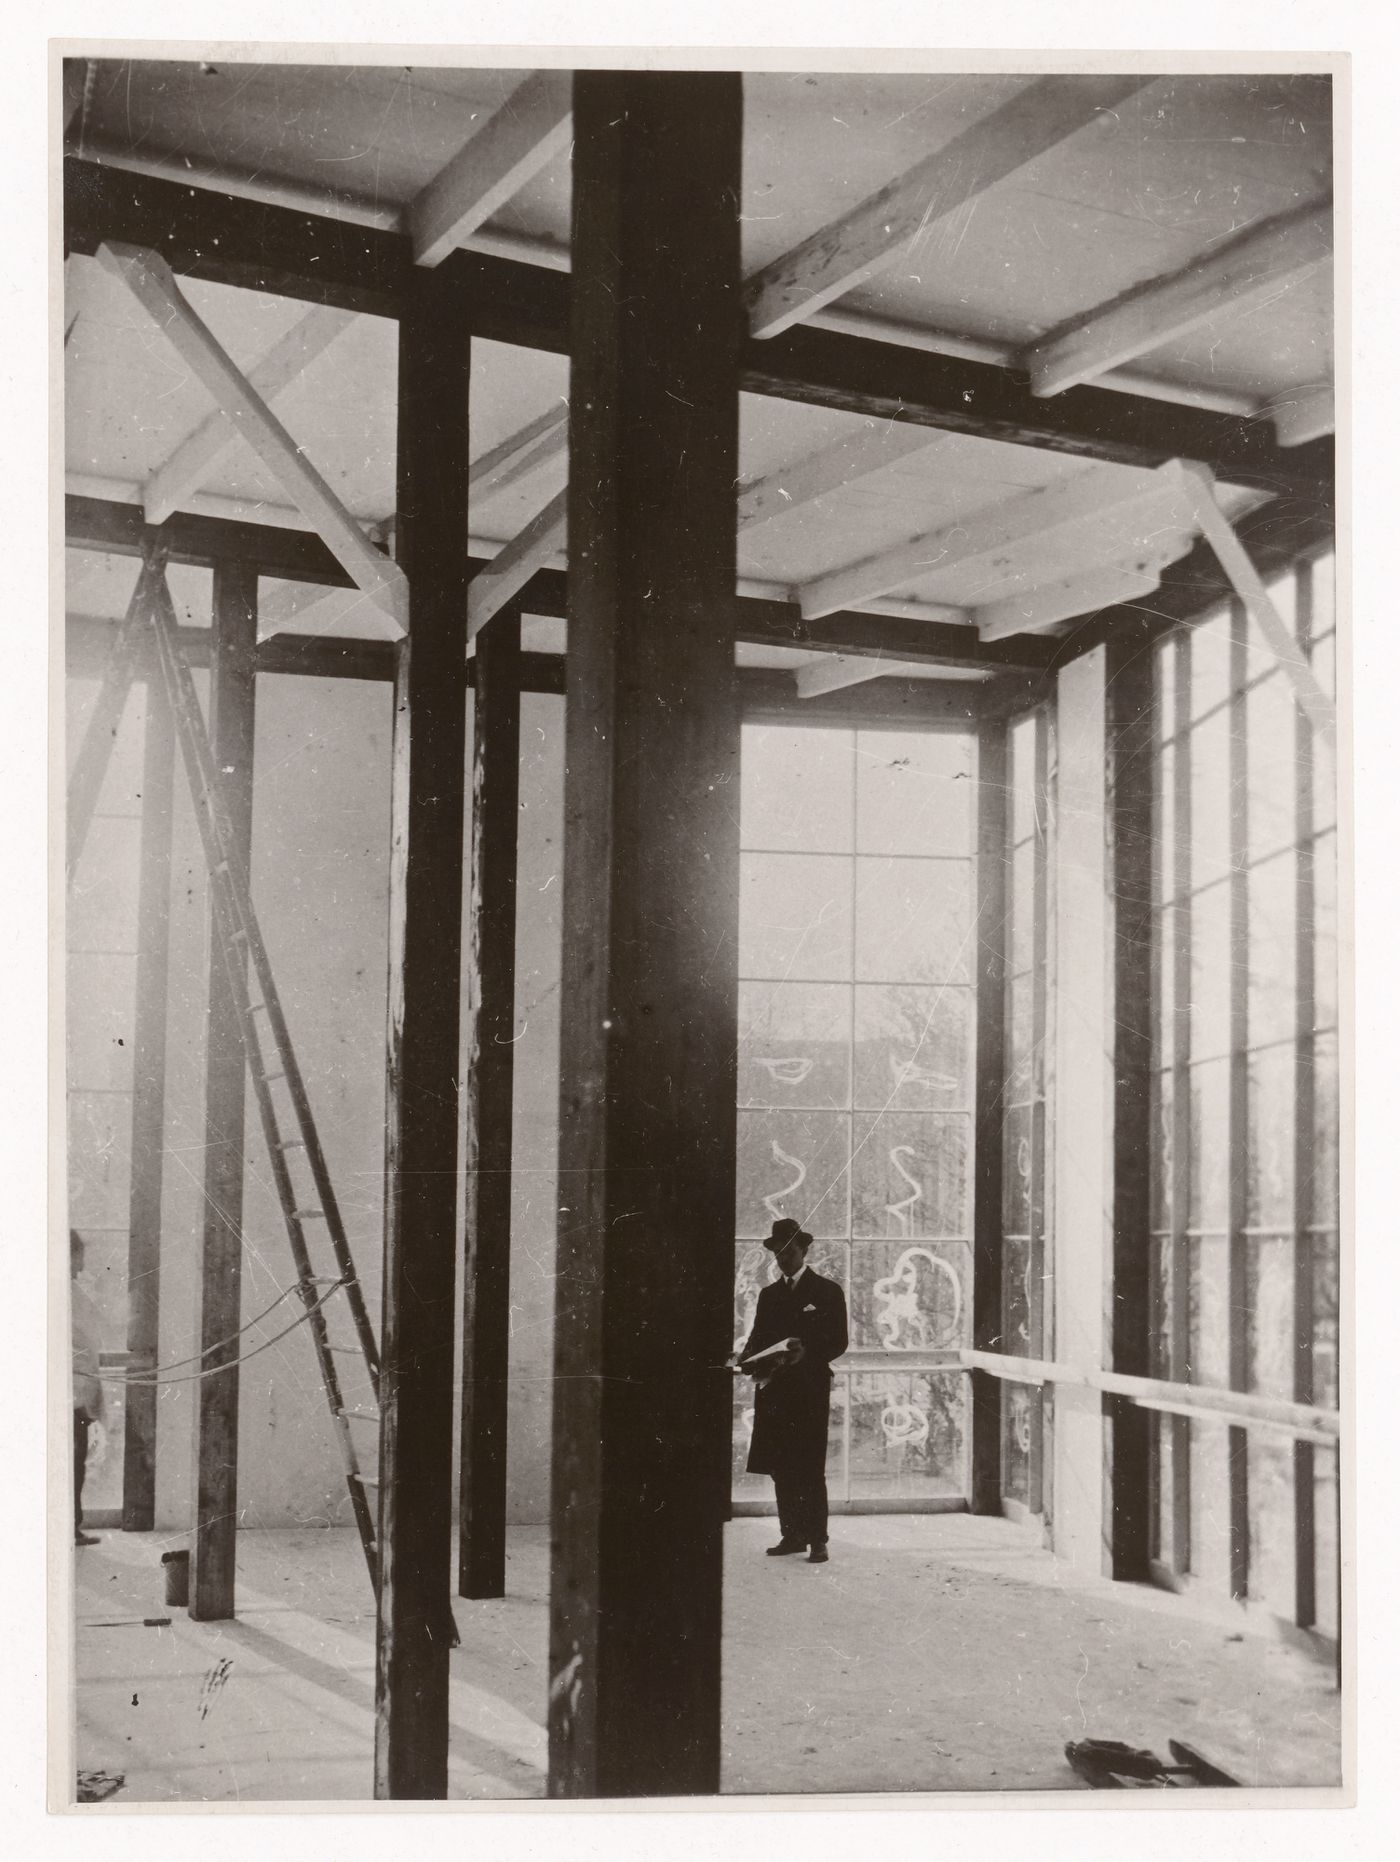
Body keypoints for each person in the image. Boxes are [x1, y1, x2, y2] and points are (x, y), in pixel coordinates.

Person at [737, 1217, 848, 1564]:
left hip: (810, 1391)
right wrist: (744, 1359)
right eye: (778, 1252)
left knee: (810, 1466)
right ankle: (792, 1535)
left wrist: (808, 1352)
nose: (783, 1258)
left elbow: (839, 1341)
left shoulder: (828, 1291)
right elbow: (758, 1337)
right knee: (781, 1465)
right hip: (775, 1389)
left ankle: (818, 1539)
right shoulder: (769, 1296)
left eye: (790, 1250)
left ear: (804, 1250)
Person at [71, 1228, 105, 1547]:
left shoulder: (75, 1293)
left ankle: (71, 1526)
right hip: (63, 1396)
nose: (82, 1264)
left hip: (76, 1394)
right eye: (78, 1255)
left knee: (75, 1462)